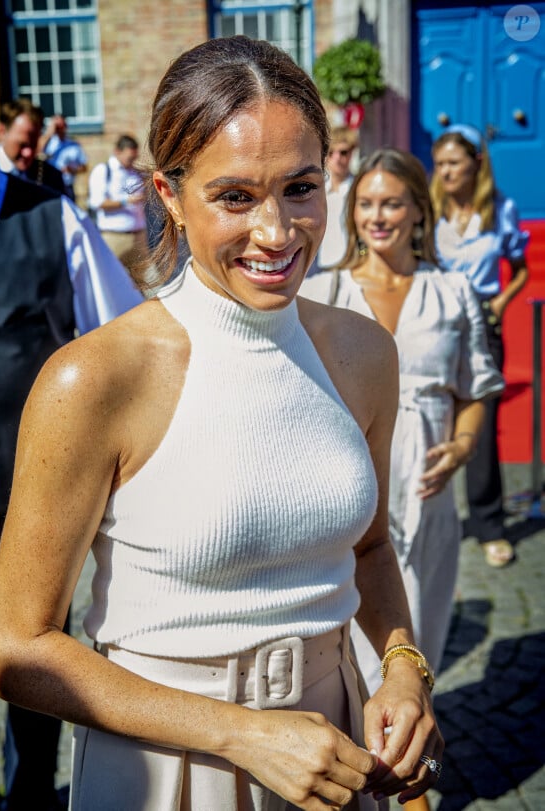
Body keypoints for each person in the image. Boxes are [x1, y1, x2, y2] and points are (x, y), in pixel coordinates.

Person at [0, 37, 443, 811]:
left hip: (333, 745)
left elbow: (367, 546)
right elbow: (15, 648)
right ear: (169, 193)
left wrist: (401, 664)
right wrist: (240, 732)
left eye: (300, 188)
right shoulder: (94, 377)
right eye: (235, 197)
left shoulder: (365, 352)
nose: (277, 232)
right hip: (164, 766)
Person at [301, 147, 503, 811]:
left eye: (392, 202)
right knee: (353, 657)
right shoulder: (322, 291)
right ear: (351, 213)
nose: (377, 215)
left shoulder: (453, 293)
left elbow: (477, 387)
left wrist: (464, 442)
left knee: (415, 655)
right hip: (342, 504)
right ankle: (404, 800)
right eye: (366, 203)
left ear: (420, 209)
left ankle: (399, 778)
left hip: (428, 498)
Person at [0, 64, 143, 811]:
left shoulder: (51, 217)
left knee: (35, 665)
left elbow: (124, 338)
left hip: (31, 495)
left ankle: (30, 801)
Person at [430, 124, 529, 568]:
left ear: (476, 164)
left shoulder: (500, 210)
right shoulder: (431, 210)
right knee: (432, 417)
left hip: (482, 324)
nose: (445, 171)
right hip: (435, 320)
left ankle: (489, 523)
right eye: (440, 164)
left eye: (453, 162)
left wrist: (502, 301)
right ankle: (428, 522)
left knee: (481, 425)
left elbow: (520, 268)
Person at [88, 134, 148, 276]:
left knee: (142, 284)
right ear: (117, 152)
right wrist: (126, 201)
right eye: (129, 158)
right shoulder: (103, 171)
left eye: (134, 157)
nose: (132, 161)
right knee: (111, 281)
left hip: (138, 236)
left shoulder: (136, 172)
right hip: (114, 237)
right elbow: (97, 203)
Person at [0, 98, 66, 194]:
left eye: (33, 145)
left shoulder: (51, 177)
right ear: (2, 132)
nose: (28, 153)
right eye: (22, 145)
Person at [315, 125, 359, 270]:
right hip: (318, 266)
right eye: (331, 152)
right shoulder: (314, 190)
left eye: (343, 152)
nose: (337, 158)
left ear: (352, 153)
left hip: (350, 266)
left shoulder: (359, 190)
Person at [38, 113, 88, 201]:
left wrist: (72, 169)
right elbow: (37, 151)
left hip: (67, 185)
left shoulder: (73, 145)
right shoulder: (47, 142)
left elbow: (84, 167)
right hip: (49, 184)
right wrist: (49, 133)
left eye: (61, 125)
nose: (59, 129)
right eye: (57, 126)